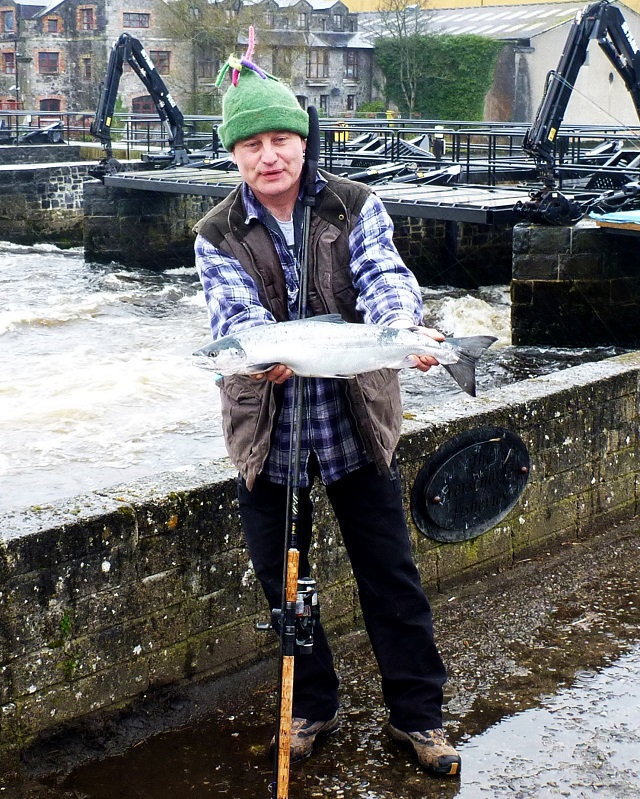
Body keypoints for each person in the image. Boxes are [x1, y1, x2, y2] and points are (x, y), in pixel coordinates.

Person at [193, 32, 461, 779]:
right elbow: (233, 323)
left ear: (303, 142)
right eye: (253, 145)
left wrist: (404, 333)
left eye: (282, 138)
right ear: (236, 155)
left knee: (391, 575)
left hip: (353, 426)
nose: (270, 155)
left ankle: (420, 715)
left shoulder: (355, 205)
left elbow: (385, 280)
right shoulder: (215, 233)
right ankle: (311, 705)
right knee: (287, 585)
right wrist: (255, 356)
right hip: (268, 435)